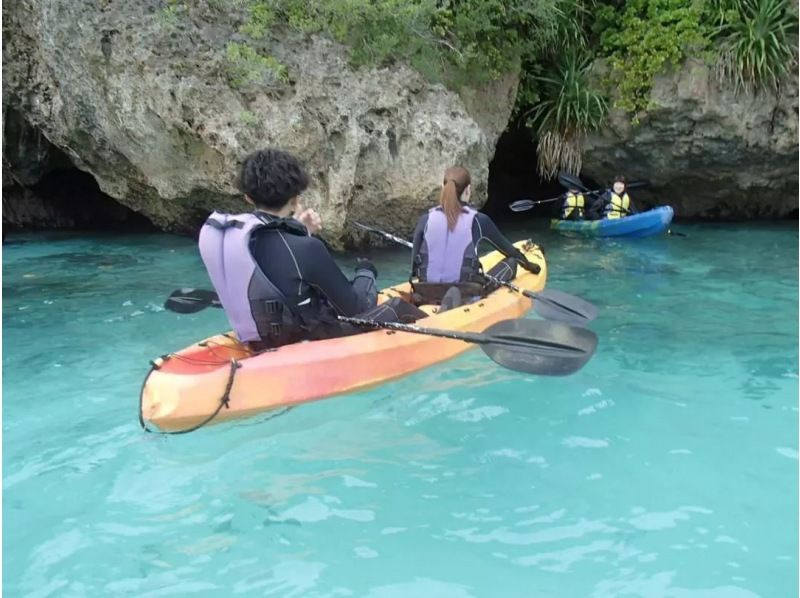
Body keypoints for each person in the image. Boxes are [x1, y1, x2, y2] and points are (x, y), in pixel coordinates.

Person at [198, 148, 423, 351]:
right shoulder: (306, 248)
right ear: (296, 198)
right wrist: (366, 271)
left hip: (257, 339)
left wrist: (299, 229)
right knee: (397, 307)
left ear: (248, 197)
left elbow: (276, 266)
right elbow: (356, 309)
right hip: (304, 342)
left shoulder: (235, 239)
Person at [410, 166, 541, 306]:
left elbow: (413, 267)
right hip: (465, 294)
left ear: (443, 187)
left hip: (425, 293)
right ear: (468, 190)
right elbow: (511, 252)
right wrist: (531, 266)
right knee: (511, 263)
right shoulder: (478, 220)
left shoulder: (426, 219)